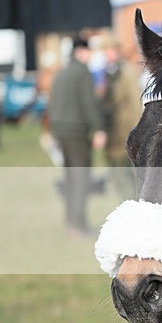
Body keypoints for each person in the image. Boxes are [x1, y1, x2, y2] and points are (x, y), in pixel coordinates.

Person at [48, 36, 106, 237]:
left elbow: (52, 103)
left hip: (61, 132)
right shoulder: (83, 73)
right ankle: (78, 225)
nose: (90, 56)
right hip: (77, 133)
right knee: (81, 179)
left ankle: (70, 221)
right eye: (89, 51)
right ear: (81, 51)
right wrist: (98, 128)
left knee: (70, 178)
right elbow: (88, 103)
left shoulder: (61, 73)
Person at [101, 40, 143, 200]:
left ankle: (131, 209)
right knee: (117, 174)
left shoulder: (126, 71)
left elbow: (134, 102)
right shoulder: (111, 71)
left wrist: (136, 131)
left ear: (116, 50)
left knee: (127, 177)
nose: (106, 54)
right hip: (114, 131)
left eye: (108, 50)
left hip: (125, 131)